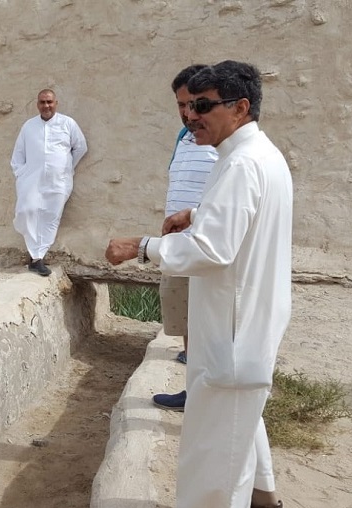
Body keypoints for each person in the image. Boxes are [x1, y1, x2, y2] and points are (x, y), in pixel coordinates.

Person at [106, 61, 291, 508]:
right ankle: (265, 506)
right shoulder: (253, 154)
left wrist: (141, 247)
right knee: (237, 424)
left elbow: (213, 249)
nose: (191, 116)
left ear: (240, 107)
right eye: (188, 106)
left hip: (234, 330)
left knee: (216, 448)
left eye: (203, 106)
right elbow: (238, 220)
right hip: (244, 322)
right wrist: (197, 213)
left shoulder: (242, 163)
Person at [152, 65, 219, 413]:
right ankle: (193, 391)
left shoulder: (221, 142)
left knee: (211, 325)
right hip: (178, 247)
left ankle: (210, 398)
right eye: (180, 104)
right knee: (187, 322)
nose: (187, 112)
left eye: (193, 104)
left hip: (206, 248)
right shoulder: (183, 137)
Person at [10, 89, 87, 276]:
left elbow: (80, 147)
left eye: (49, 102)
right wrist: (21, 174)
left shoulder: (68, 123)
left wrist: (66, 168)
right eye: (43, 102)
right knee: (25, 211)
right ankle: (35, 254)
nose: (46, 106)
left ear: (56, 103)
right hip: (32, 180)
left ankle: (37, 258)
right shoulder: (29, 126)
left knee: (51, 217)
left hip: (58, 181)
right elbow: (18, 154)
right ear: (37, 104)